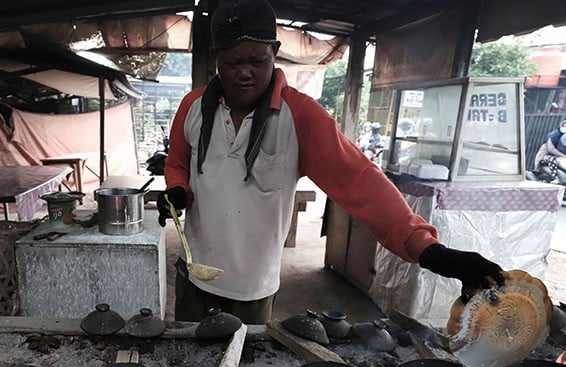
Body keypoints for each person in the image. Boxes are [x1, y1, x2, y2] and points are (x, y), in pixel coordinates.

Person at [155, 0, 503, 324]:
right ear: (216, 58)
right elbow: (178, 162)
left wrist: (427, 249)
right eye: (232, 63)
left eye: (257, 61)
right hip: (194, 273)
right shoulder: (193, 107)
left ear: (275, 53)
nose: (245, 73)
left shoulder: (302, 117)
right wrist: (177, 190)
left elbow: (362, 183)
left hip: (252, 288)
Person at [532, 119, 566, 185]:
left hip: (555, 157)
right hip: (543, 158)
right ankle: (556, 178)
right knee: (552, 159)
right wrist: (562, 155)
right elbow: (551, 149)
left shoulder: (561, 136)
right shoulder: (553, 135)